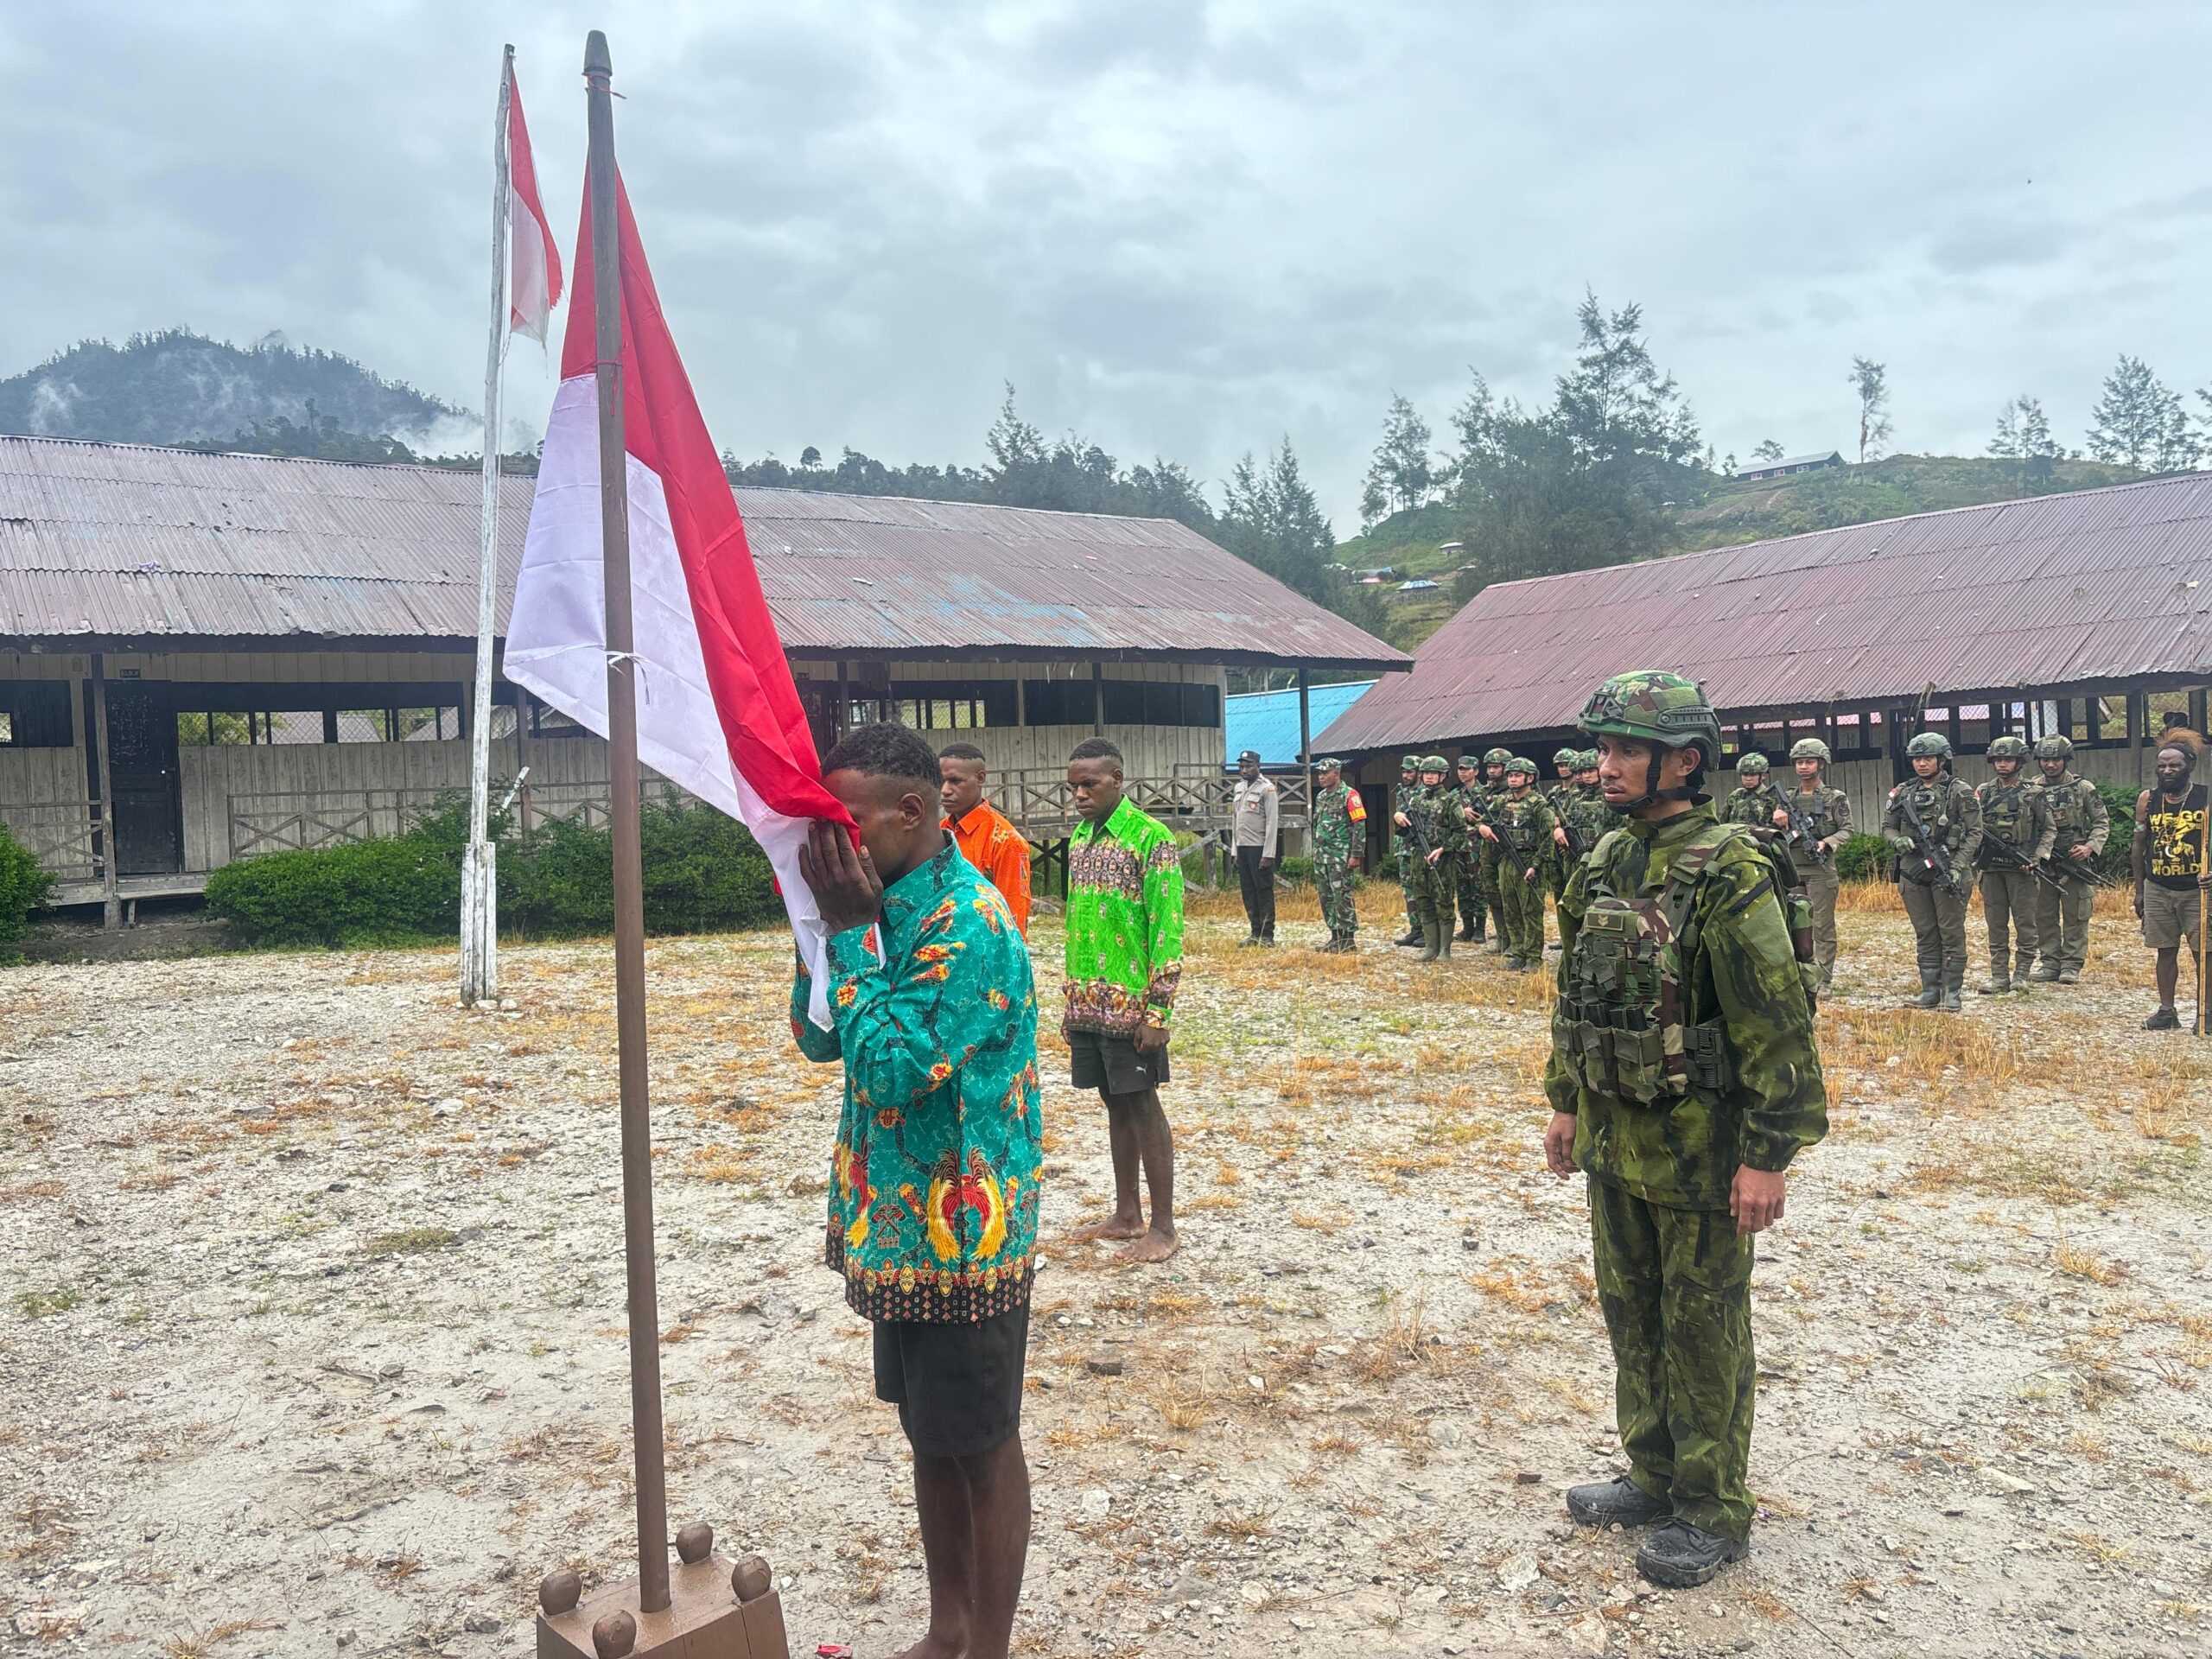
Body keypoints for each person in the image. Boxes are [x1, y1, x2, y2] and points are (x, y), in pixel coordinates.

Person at [1544, 671, 1826, 1590]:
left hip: (1702, 1148)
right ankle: (1652, 1472)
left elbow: (1774, 1015)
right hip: (1616, 1136)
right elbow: (1576, 991)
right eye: (1604, 748)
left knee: (1701, 1322)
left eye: (1626, 749)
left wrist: (1767, 1154)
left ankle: (1711, 1508)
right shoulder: (1606, 860)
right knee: (1630, 1309)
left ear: (1685, 761)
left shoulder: (1731, 866)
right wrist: (1564, 1098)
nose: (1606, 765)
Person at [791, 722, 1042, 1659]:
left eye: (844, 825)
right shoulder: (883, 902)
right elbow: (822, 1040)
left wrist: (854, 934)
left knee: (980, 1444)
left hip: (963, 1234)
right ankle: (947, 1630)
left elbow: (891, 1069)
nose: (832, 847)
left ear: (908, 812)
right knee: (927, 1436)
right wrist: (821, 925)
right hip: (898, 1225)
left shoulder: (966, 923)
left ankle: (989, 1646)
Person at [1063, 737, 1184, 1263]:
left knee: (1142, 1104)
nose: (1080, 796)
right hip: (1088, 1003)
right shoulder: (1081, 840)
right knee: (1112, 1102)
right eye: (1073, 788)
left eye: (1089, 784)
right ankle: (1127, 1213)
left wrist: (1159, 1010)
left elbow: (1167, 929)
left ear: (1117, 778)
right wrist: (1070, 1002)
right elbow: (1076, 925)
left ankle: (1163, 1226)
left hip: (1133, 1007)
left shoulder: (1150, 839)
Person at [1883, 732, 1982, 1011]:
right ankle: (1930, 990)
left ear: (1942, 759)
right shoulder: (1902, 792)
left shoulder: (1959, 791)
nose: (1922, 764)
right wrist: (1897, 840)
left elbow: (1974, 833)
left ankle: (1952, 993)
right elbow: (1887, 826)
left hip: (1949, 870)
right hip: (1914, 870)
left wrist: (1958, 866)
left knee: (1951, 933)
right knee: (1925, 932)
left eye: (1928, 758)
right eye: (1917, 759)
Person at [2133, 742, 2211, 1031]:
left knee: (2204, 952)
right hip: (2158, 886)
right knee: (2164, 950)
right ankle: (2167, 1012)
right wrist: (2140, 889)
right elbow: (2139, 843)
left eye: (2175, 765)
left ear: (2190, 765)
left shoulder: (2205, 797)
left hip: (2197, 888)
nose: (2167, 771)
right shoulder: (2148, 799)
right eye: (2162, 765)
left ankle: (2207, 1014)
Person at [1972, 736, 2052, 995]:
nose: (2003, 764)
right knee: (1996, 925)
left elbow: (2049, 830)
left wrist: (2037, 857)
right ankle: (1998, 976)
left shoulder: (2034, 792)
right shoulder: (1983, 792)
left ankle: (2022, 975)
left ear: (2020, 762)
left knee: (2025, 924)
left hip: (2022, 869)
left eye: (2008, 760)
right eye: (1998, 760)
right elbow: (1972, 828)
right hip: (1991, 869)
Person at [2029, 734, 2111, 984]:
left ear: (2066, 760)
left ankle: (2072, 965)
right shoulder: (2031, 788)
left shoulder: (2083, 788)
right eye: (2045, 759)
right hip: (2043, 861)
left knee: (2076, 915)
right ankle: (2050, 963)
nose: (2050, 765)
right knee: (2043, 914)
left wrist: (2089, 847)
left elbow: (2101, 823)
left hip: (2074, 861)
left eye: (2056, 760)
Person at [1777, 739, 1852, 990]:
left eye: (1809, 761)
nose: (1804, 767)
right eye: (1799, 762)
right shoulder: (1786, 798)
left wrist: (1826, 843)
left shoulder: (1834, 797)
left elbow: (1847, 830)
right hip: (1792, 871)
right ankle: (1798, 976)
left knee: (1822, 927)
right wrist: (1777, 818)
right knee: (1792, 924)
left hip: (1820, 871)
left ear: (1821, 764)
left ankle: (1823, 979)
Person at [939, 741, 1033, 938]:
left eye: (955, 781)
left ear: (980, 778)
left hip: (984, 948)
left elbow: (1014, 915)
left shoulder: (1006, 841)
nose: (945, 790)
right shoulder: (938, 832)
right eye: (942, 781)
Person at [1483, 755, 1556, 970]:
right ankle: (1518, 952)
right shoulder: (1503, 801)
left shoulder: (1539, 805)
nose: (1513, 780)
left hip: (1529, 862)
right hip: (1506, 861)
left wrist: (1536, 865)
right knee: (1511, 909)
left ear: (1530, 778)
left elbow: (1547, 838)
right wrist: (1482, 827)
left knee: (1531, 911)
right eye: (1511, 776)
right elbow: (1482, 819)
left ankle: (1533, 957)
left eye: (1518, 776)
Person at [1392, 755, 1462, 962]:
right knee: (1423, 900)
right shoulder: (1415, 799)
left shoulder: (1450, 800)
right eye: (1426, 774)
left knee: (1443, 901)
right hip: (1418, 856)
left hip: (1442, 858)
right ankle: (1431, 947)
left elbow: (1460, 832)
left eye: (1434, 774)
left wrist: (1443, 848)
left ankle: (1444, 950)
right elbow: (1404, 830)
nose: (1429, 777)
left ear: (1442, 776)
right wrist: (1398, 818)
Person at [1309, 757, 1366, 953]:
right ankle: (1335, 936)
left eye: (1326, 773)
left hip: (1340, 855)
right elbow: (1316, 824)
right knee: (1326, 896)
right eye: (1320, 773)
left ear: (1337, 773)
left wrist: (1356, 854)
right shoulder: (1321, 796)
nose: (1322, 777)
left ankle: (1348, 939)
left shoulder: (1350, 795)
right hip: (1322, 855)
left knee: (1342, 895)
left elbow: (1359, 825)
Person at [1230, 750, 1281, 947]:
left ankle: (1267, 935)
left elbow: (1272, 823)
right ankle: (1255, 932)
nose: (1244, 770)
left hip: (1259, 848)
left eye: (1249, 766)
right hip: (1243, 847)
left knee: (1263, 891)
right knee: (1248, 891)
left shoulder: (1267, 789)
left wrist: (1268, 853)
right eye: (1242, 766)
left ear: (1258, 766)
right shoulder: (1238, 788)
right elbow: (1235, 820)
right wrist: (1235, 850)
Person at [1477, 746, 1514, 954]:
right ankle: (1502, 938)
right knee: (1492, 894)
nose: (1491, 771)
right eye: (1489, 767)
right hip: (1487, 850)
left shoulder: (1515, 792)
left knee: (1509, 895)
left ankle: (1515, 940)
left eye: (1496, 767)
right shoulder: (1483, 792)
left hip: (1507, 850)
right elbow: (1475, 819)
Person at [1452, 753, 1491, 944]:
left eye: (1467, 769)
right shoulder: (1454, 794)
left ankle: (1480, 929)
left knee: (1479, 887)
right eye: (1460, 769)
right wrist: (1461, 810)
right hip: (1459, 847)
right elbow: (1446, 813)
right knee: (1462, 887)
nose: (1463, 773)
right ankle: (1467, 927)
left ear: (1475, 771)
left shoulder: (1485, 793)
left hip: (1478, 847)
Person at [1392, 755, 1426, 949]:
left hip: (1419, 848)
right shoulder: (1401, 793)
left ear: (1419, 773)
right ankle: (1415, 929)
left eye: (1410, 772)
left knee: (1422, 889)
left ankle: (1427, 930)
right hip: (1403, 849)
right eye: (1404, 772)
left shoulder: (1424, 793)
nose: (1406, 775)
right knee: (1408, 891)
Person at [1720, 754, 1783, 834]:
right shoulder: (1735, 796)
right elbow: (1722, 824)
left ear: (1763, 776)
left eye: (1753, 775)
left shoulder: (1772, 798)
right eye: (1745, 774)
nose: (1748, 779)